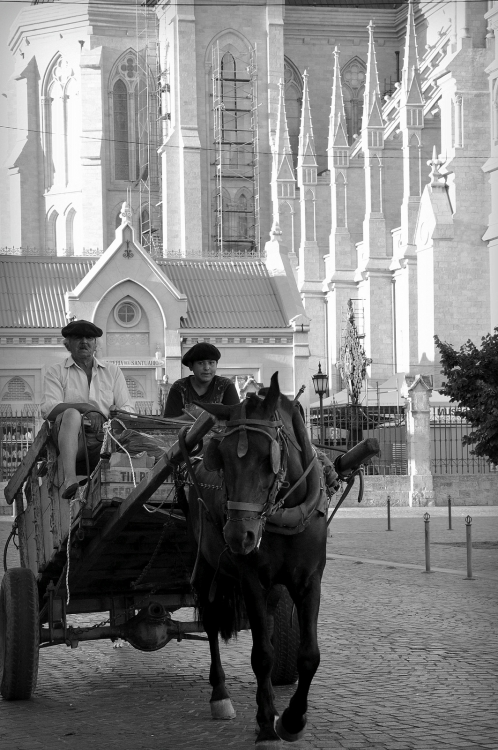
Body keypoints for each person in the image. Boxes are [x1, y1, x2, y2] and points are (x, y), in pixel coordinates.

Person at [41, 320, 134, 499]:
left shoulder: (113, 371)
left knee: (123, 429)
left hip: (104, 439)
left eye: (89, 337)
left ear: (95, 343)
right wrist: (86, 408)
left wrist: (117, 411)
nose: (84, 341)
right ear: (67, 344)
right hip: (72, 441)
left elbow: (128, 408)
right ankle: (70, 479)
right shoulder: (56, 372)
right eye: (78, 337)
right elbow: (49, 409)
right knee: (71, 414)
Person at [163, 342, 239, 418]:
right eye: (201, 363)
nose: (206, 368)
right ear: (190, 366)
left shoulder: (225, 385)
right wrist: (193, 415)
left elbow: (237, 417)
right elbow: (167, 424)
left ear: (216, 364)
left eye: (211, 363)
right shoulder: (179, 387)